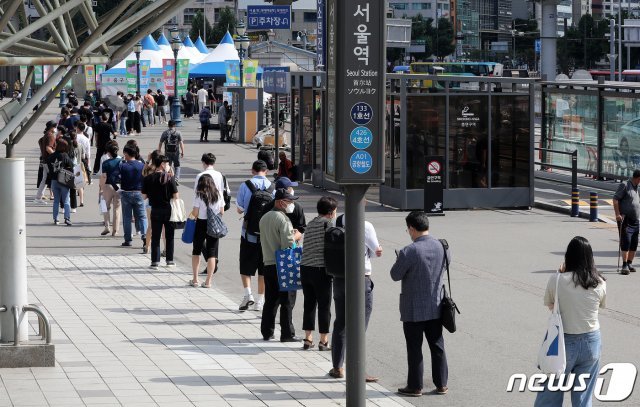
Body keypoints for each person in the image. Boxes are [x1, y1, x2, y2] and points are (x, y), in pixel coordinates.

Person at [534, 236, 607, 407]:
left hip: (563, 341)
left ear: (568, 256)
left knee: (550, 394)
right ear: (590, 257)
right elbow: (600, 306)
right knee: (583, 397)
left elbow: (551, 305)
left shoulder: (557, 279)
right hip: (592, 341)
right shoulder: (600, 282)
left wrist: (561, 274)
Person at [390, 211, 449, 397]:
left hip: (413, 308)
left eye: (408, 229)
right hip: (437, 305)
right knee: (437, 345)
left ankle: (415, 386)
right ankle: (441, 384)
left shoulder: (410, 250)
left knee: (414, 348)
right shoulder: (443, 246)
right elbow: (446, 266)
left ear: (412, 228)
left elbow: (394, 275)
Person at [329, 202, 382, 382]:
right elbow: (376, 251)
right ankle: (358, 370)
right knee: (359, 326)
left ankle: (337, 366)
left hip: (339, 277)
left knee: (341, 323)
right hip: (360, 278)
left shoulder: (339, 220)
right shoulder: (366, 225)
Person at [259, 188, 300, 342]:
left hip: (268, 262)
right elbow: (287, 244)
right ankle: (287, 333)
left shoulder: (265, 217)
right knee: (287, 301)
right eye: (289, 201)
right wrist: (295, 238)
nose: (291, 204)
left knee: (271, 300)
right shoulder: (283, 219)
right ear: (281, 202)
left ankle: (267, 332)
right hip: (283, 264)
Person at [300, 196, 337, 351]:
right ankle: (323, 340)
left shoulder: (311, 223)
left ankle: (308, 338)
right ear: (330, 212)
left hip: (305, 268)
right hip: (320, 269)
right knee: (324, 306)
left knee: (309, 304)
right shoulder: (328, 224)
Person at [235, 160, 271, 311]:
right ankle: (260, 301)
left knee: (246, 265)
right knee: (263, 269)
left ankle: (247, 294)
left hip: (248, 233)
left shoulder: (245, 185)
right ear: (266, 171)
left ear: (252, 171)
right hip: (267, 236)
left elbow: (239, 209)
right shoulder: (272, 187)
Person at [142, 154, 179, 269]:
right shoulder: (170, 178)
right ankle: (169, 260)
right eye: (167, 163)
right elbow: (176, 196)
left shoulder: (148, 178)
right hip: (168, 209)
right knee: (169, 236)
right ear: (162, 165)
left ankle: (155, 262)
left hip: (155, 209)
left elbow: (143, 196)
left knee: (156, 235)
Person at [189, 174, 223, 288]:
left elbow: (195, 213)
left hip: (201, 224)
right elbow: (222, 211)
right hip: (213, 225)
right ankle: (208, 282)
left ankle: (195, 280)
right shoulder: (218, 195)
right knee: (212, 253)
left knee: (196, 251)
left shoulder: (199, 195)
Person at [118, 145, 147, 248]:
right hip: (139, 192)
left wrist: (118, 188)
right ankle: (145, 237)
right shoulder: (141, 165)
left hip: (126, 192)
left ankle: (128, 239)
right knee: (142, 216)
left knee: (127, 217)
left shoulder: (123, 166)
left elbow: (115, 177)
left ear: (126, 153)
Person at [613, 169, 640, 275]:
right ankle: (624, 264)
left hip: (635, 219)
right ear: (638, 178)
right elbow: (615, 200)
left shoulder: (637, 187)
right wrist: (617, 214)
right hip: (625, 219)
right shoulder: (625, 185)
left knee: (634, 242)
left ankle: (629, 263)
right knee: (626, 241)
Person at [47, 139, 74, 226]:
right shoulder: (65, 156)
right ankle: (67, 218)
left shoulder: (51, 156)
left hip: (54, 180)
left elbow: (48, 166)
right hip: (64, 180)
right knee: (66, 200)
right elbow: (72, 165)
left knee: (56, 201)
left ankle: (56, 219)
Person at [99, 141, 121, 236]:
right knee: (117, 208)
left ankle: (107, 226)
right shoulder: (121, 161)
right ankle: (115, 230)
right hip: (118, 186)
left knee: (105, 206)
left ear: (109, 152)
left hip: (108, 185)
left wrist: (101, 188)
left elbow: (104, 176)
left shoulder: (106, 163)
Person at [34, 122, 57, 204]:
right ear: (52, 127)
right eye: (55, 127)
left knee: (45, 179)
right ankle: (40, 197)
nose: (55, 129)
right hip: (49, 161)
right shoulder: (50, 136)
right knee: (53, 178)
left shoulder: (46, 135)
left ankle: (38, 197)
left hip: (45, 160)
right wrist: (56, 156)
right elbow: (48, 148)